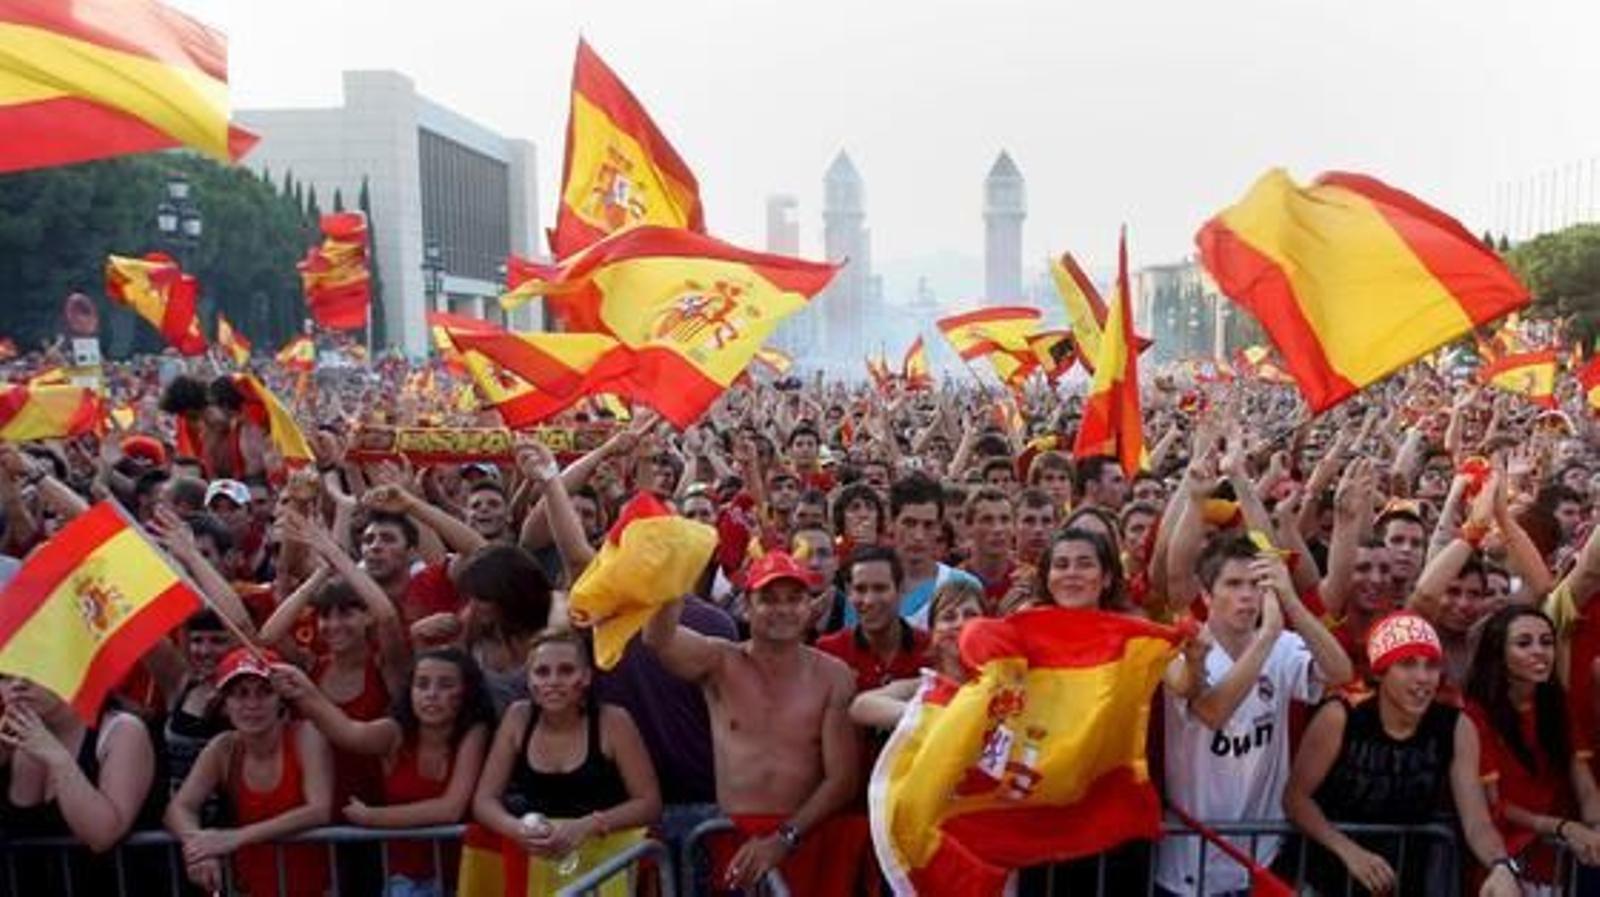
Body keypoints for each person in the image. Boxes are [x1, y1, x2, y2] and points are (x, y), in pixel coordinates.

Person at [644, 550, 866, 894]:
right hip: (732, 841)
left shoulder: (833, 676)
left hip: (807, 837)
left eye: (795, 599)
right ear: (747, 605)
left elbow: (842, 780)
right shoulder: (719, 661)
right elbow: (657, 639)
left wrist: (784, 838)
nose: (783, 609)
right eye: (769, 599)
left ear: (810, 608)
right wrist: (674, 573)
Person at [1156, 534, 1353, 896]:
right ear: (1207, 595)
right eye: (1233, 584)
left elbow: (1341, 673)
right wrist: (1266, 638)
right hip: (1190, 864)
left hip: (1260, 857)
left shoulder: (1283, 644)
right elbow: (1213, 713)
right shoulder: (1186, 650)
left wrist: (1291, 601)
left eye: (1257, 584)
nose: (1248, 594)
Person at [1283, 612, 1522, 897]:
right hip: (1322, 875)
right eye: (1407, 664)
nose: (1422, 678)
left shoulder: (1455, 726)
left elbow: (1477, 821)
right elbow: (1296, 798)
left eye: (1431, 666)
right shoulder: (1341, 715)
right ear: (1380, 673)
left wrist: (1501, 865)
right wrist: (1349, 851)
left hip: (1402, 880)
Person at [274, 648, 495, 897]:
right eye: (422, 685)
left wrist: (371, 818)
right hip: (405, 881)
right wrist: (304, 690)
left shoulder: (475, 732)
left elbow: (450, 808)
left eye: (445, 685)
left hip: (466, 878)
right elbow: (348, 732)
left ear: (467, 692)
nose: (432, 695)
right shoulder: (395, 733)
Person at [471, 629, 661, 892]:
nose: (553, 681)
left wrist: (586, 826)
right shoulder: (518, 718)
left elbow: (649, 803)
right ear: (529, 680)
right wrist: (516, 829)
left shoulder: (614, 721)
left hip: (608, 867)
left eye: (566, 670)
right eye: (542, 672)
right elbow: (484, 800)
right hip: (539, 866)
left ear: (585, 677)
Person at [165, 647, 334, 897]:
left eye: (264, 692)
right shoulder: (224, 748)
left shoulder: (306, 735)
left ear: (280, 699)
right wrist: (198, 847)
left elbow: (319, 810)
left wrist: (237, 837)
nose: (252, 705)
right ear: (225, 704)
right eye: (241, 694)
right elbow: (178, 808)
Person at [1465, 606, 1600, 885]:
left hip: (1555, 859)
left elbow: (1585, 787)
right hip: (1502, 854)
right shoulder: (1474, 715)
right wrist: (1563, 828)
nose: (1539, 651)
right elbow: (1496, 804)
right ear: (1498, 654)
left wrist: (1596, 826)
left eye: (1547, 642)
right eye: (1523, 643)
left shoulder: (1557, 705)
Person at [0, 676, 157, 894]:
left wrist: (57, 757)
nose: (17, 684)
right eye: (5, 676)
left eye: (35, 670)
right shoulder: (13, 737)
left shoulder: (122, 730)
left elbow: (102, 836)